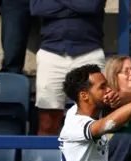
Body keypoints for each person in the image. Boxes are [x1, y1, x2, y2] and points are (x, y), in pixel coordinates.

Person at [31, 0, 107, 136]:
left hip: (89, 51)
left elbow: (91, 6)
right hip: (51, 52)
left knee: (93, 118)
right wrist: (77, 7)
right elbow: (37, 8)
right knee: (47, 122)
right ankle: (46, 157)